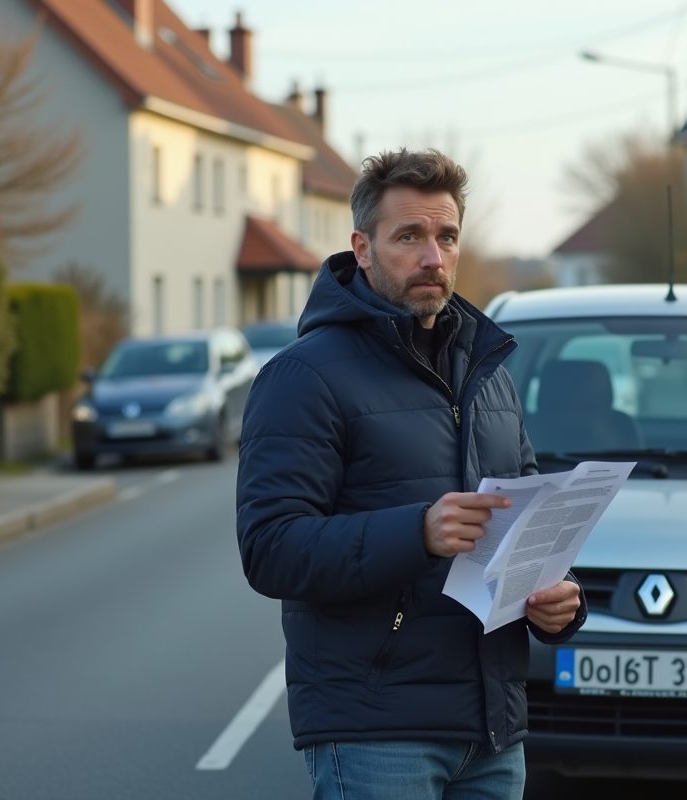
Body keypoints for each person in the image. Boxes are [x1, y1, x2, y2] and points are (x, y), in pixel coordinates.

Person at [235, 148, 586, 800]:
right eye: (410, 236)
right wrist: (417, 532)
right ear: (362, 249)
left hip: (492, 730)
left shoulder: (490, 379)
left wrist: (559, 601)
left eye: (446, 236)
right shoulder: (302, 378)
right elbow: (269, 549)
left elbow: (531, 527)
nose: (433, 256)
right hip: (375, 729)